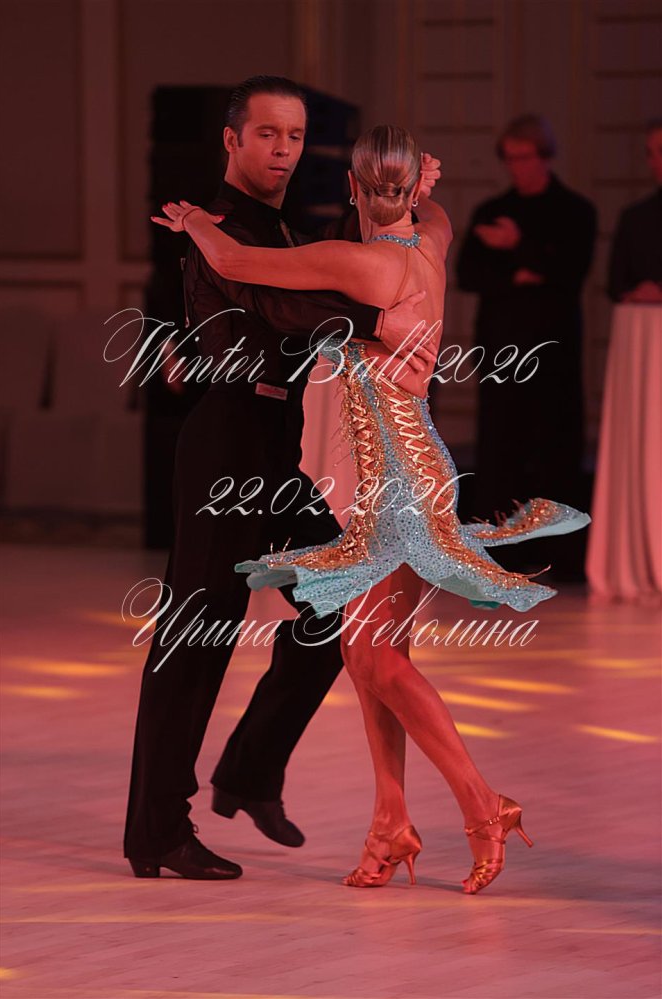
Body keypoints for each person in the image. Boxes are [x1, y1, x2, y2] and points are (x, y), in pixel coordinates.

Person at [154, 124, 590, 894]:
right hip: (412, 472)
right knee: (368, 658)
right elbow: (440, 216)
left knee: (379, 659)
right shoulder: (430, 246)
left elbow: (237, 262)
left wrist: (192, 222)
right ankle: (390, 820)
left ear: (352, 188)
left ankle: (484, 804)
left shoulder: (361, 262)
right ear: (411, 191)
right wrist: (427, 194)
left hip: (394, 487)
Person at [124, 77, 439, 881]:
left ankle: (250, 770)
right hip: (226, 440)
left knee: (336, 604)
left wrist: (407, 198)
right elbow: (275, 302)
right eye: (267, 134)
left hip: (274, 444)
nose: (283, 150)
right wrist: (376, 318)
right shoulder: (215, 224)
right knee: (198, 632)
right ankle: (157, 830)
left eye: (294, 136)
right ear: (232, 140)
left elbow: (342, 257)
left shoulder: (286, 228)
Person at [455, 115, 596, 576]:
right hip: (501, 351)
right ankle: (499, 555)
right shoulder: (492, 209)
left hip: (553, 353)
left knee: (556, 450)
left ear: (545, 156)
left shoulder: (574, 211)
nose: (517, 167)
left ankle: (559, 556)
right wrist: (522, 273)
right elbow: (468, 274)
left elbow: (569, 273)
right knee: (500, 451)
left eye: (525, 157)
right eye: (510, 158)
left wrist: (518, 245)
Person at [607, 119, 662, 304]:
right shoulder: (634, 218)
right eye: (650, 154)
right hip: (643, 318)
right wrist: (637, 293)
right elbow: (615, 285)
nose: (654, 162)